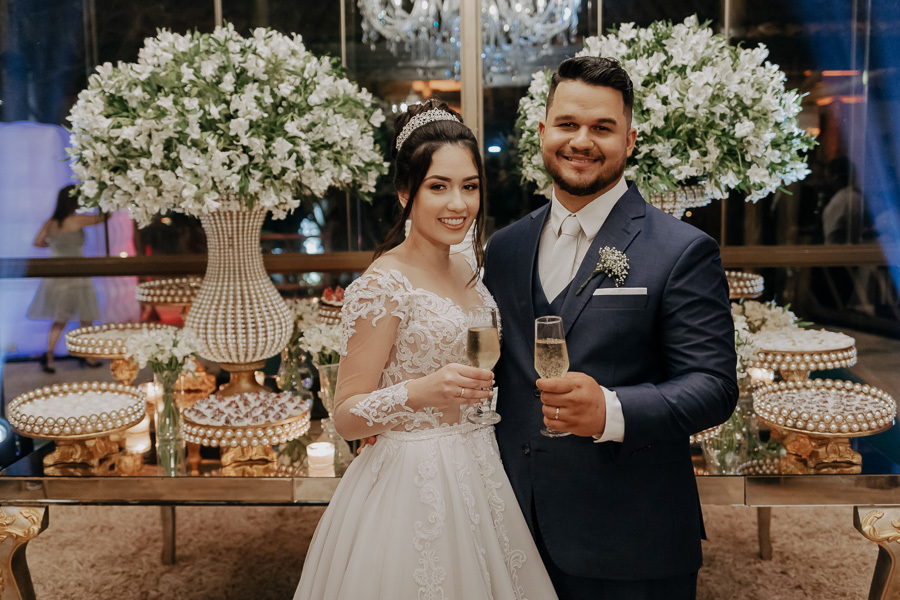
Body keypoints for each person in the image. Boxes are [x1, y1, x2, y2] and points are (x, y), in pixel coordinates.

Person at [483, 56, 739, 599]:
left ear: (630, 140)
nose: (582, 141)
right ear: (542, 132)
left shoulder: (682, 250)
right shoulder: (504, 249)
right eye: (568, 125)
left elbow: (714, 387)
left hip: (631, 538)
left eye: (602, 128)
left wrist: (612, 411)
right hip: (510, 527)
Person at [293, 99, 558, 600]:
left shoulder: (467, 266)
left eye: (470, 186)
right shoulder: (382, 285)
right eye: (438, 187)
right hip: (410, 481)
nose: (458, 204)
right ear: (404, 193)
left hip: (480, 463)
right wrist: (419, 392)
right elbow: (346, 418)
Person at [27, 185, 103, 373]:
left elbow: (37, 242)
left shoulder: (51, 223)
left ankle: (50, 356)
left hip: (58, 276)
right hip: (78, 274)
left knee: (60, 318)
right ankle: (88, 356)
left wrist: (55, 248)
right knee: (86, 317)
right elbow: (103, 218)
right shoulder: (77, 220)